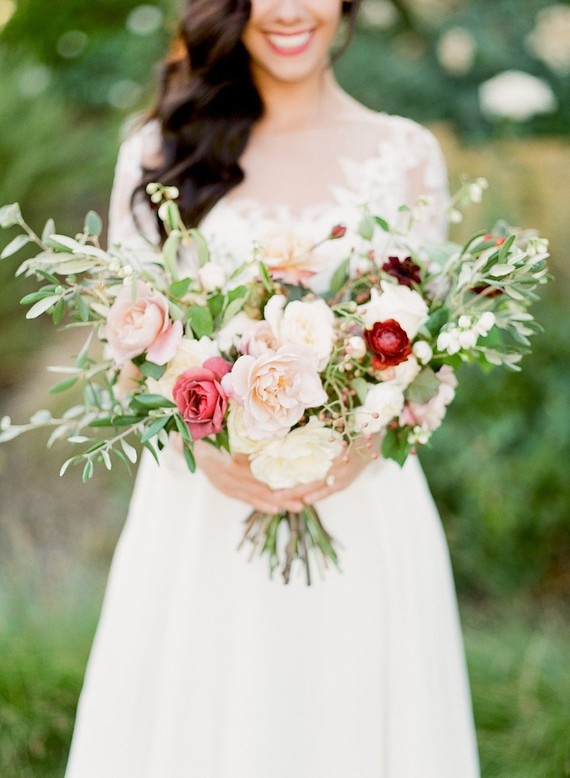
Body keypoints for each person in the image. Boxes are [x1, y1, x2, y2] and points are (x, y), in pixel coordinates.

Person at [65, 1, 481, 775]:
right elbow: (126, 350)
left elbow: (427, 346)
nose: (289, 10)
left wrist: (368, 435)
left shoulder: (405, 153)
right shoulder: (160, 151)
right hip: (200, 515)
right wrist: (201, 442)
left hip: (363, 506)